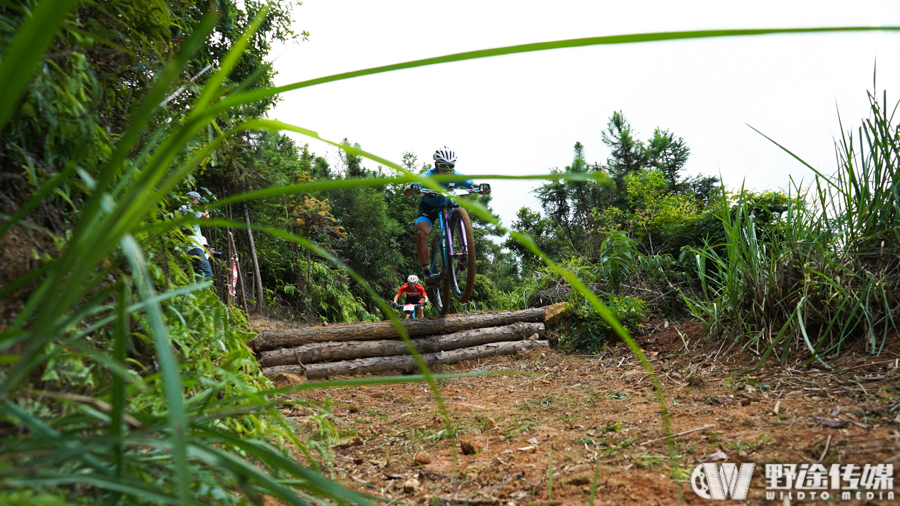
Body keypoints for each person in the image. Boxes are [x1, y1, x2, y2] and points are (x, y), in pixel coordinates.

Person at [403, 146, 489, 283]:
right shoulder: (427, 176)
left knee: (460, 216)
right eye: (443, 166)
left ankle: (464, 253)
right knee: (421, 233)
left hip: (449, 205)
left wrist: (481, 189)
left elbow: (472, 184)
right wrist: (413, 188)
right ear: (436, 164)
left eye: (450, 166)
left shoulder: (457, 175)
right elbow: (406, 191)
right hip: (429, 206)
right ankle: (427, 272)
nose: (448, 169)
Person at [178, 191, 216, 281]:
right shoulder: (187, 208)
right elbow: (206, 218)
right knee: (206, 273)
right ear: (194, 200)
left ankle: (192, 293)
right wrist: (205, 208)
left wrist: (207, 254)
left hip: (189, 246)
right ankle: (194, 293)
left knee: (196, 275)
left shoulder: (185, 211)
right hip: (193, 246)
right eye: (199, 202)